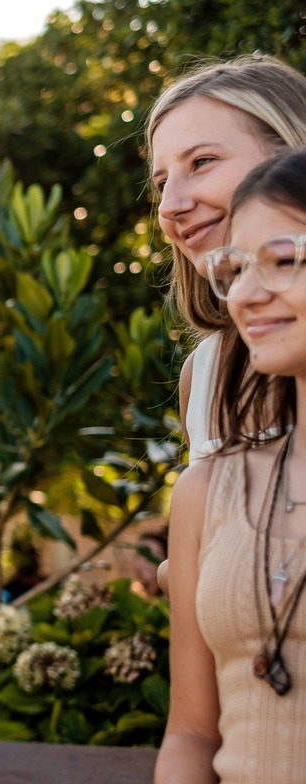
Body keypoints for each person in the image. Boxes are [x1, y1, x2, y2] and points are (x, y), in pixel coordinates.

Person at [155, 148, 306, 784]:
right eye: (235, 267)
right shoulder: (205, 491)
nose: (245, 293)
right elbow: (191, 734)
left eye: (281, 260)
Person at [145, 55, 306, 596]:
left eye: (202, 161)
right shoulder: (205, 374)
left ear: (290, 153)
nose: (172, 204)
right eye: (161, 181)